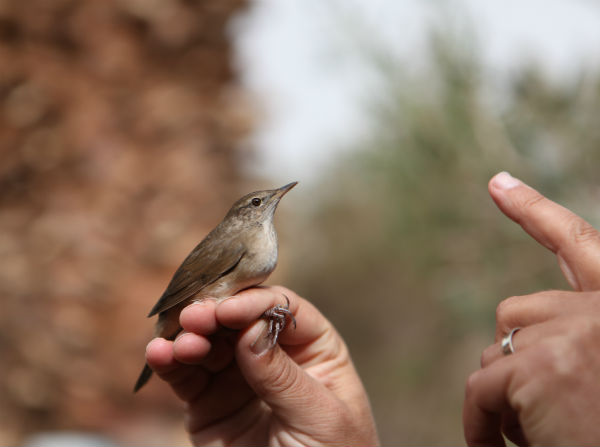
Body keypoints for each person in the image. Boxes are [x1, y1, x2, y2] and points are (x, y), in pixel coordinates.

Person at [145, 171, 600, 446]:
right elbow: (196, 281)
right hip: (194, 301)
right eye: (259, 202)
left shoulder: (256, 242)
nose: (272, 200)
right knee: (212, 324)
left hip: (225, 352)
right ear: (244, 214)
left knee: (241, 319)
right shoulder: (235, 241)